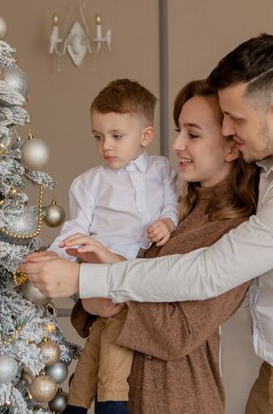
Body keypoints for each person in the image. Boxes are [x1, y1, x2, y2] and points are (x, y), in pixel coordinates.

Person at [21, 34, 273, 414]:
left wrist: (84, 279)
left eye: (233, 120)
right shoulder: (197, 197)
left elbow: (206, 277)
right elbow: (123, 290)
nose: (229, 129)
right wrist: (94, 282)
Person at [63, 79, 259, 414]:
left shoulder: (235, 231)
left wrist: (102, 286)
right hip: (126, 390)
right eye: (178, 130)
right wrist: (91, 298)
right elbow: (101, 301)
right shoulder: (172, 208)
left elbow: (177, 332)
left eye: (192, 134)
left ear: (231, 147)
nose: (178, 144)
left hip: (176, 399)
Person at [52, 78, 179, 414]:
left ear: (145, 136)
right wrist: (57, 258)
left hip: (136, 279)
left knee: (109, 356)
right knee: (95, 350)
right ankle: (77, 406)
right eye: (98, 136)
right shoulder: (89, 183)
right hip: (102, 275)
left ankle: (105, 407)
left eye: (116, 136)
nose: (106, 145)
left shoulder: (162, 170)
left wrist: (167, 223)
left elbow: (172, 207)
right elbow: (76, 227)